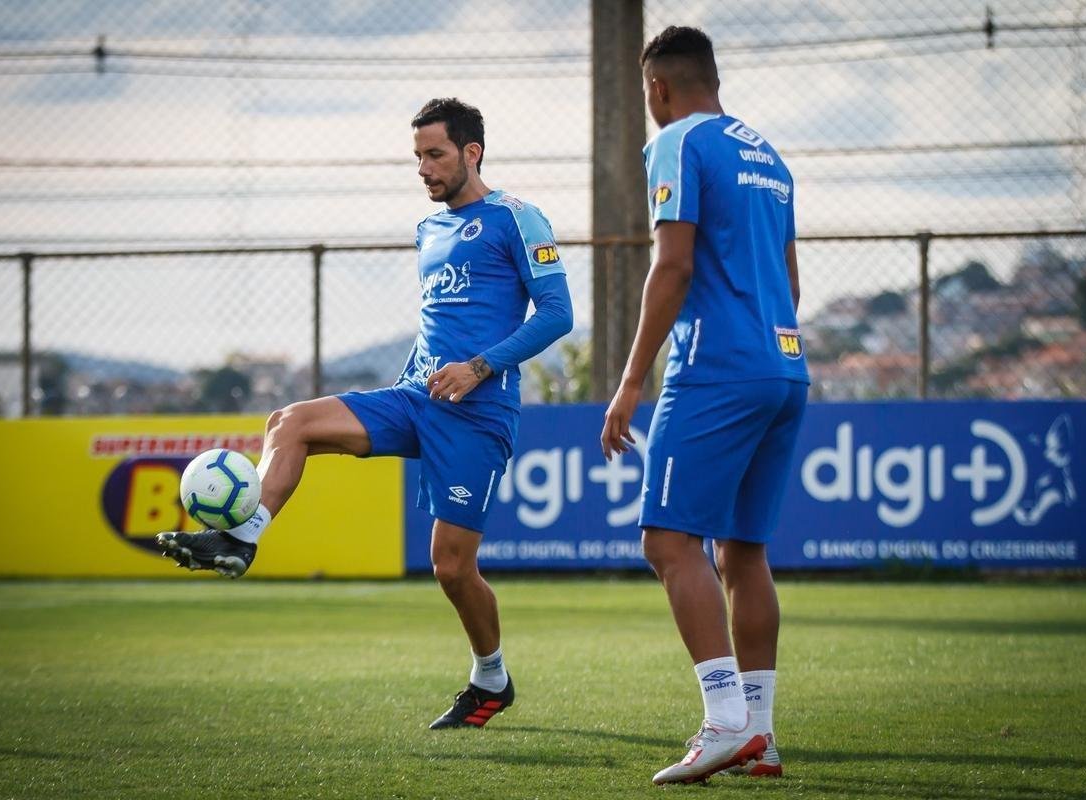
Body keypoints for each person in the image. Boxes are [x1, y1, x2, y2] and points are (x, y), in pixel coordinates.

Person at [158, 97, 573, 730]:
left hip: (478, 412)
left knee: (451, 568)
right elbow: (437, 324)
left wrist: (479, 367)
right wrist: (415, 376)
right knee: (289, 422)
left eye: (435, 155)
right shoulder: (428, 229)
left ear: (471, 153)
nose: (423, 168)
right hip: (415, 399)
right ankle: (242, 538)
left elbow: (558, 314)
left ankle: (491, 678)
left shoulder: (518, 218)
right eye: (417, 156)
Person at [599, 27, 808, 784]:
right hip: (784, 365)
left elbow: (673, 265)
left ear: (656, 89)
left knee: (667, 541)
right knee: (741, 552)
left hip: (715, 367)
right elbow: (790, 281)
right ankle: (760, 735)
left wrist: (630, 381)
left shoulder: (676, 141)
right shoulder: (769, 157)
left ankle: (723, 723)